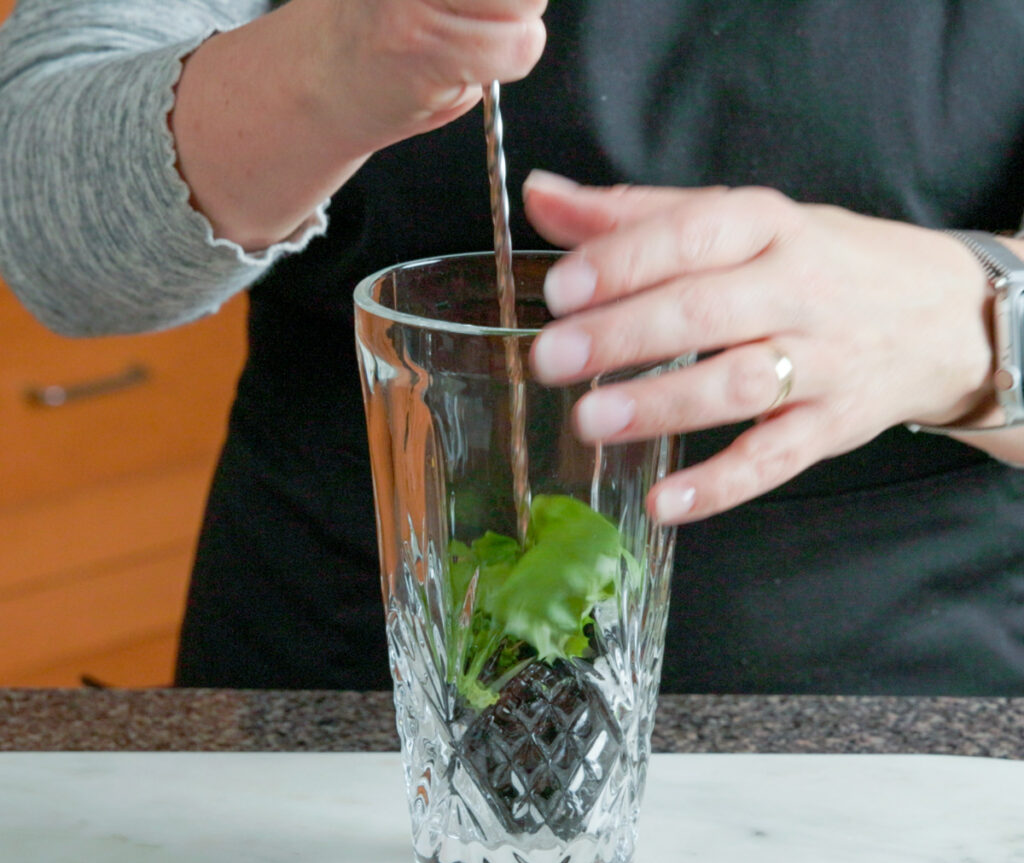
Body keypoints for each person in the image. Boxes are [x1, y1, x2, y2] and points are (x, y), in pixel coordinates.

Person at [1, 0, 1023, 694]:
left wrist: (972, 324)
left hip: (901, 734)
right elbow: (52, 237)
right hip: (334, 720)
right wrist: (324, 68)